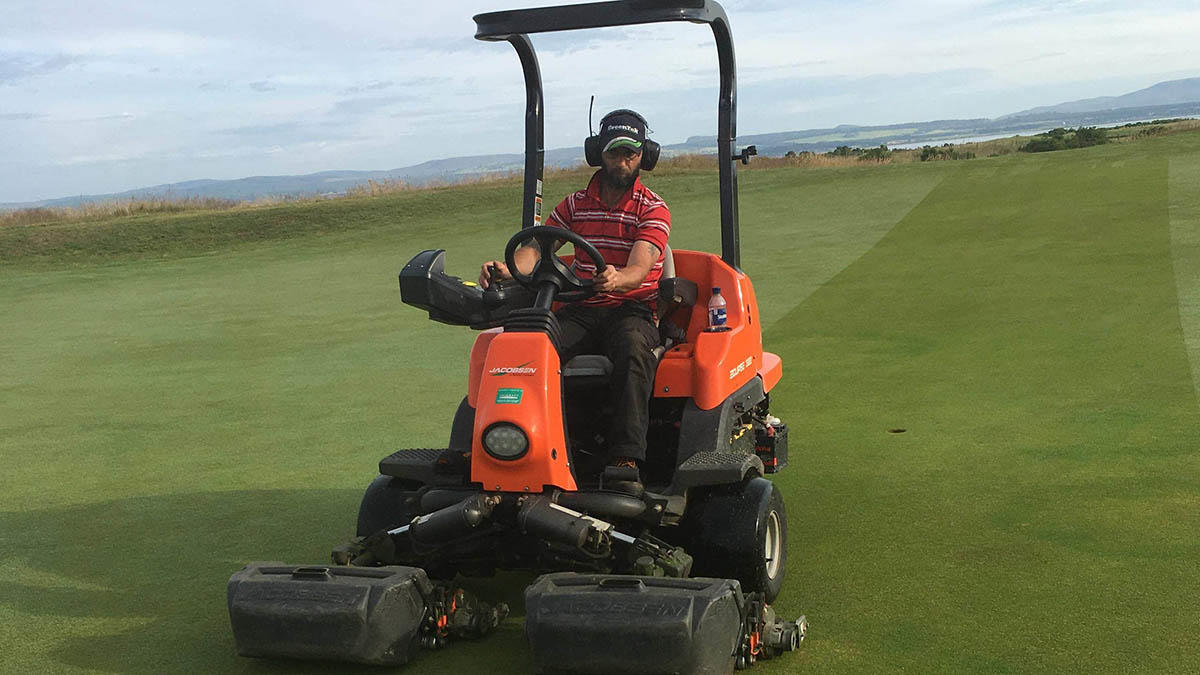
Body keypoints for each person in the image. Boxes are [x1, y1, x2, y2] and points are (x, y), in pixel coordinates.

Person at [478, 109, 670, 493]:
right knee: (530, 344)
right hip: (583, 307)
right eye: (615, 153)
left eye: (630, 154)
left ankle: (625, 458)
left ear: (643, 157)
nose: (622, 161)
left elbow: (642, 263)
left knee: (633, 348)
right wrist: (508, 268)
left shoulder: (652, 208)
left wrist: (619, 279)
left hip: (631, 308)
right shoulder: (576, 204)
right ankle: (522, 447)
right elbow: (537, 247)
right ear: (598, 153)